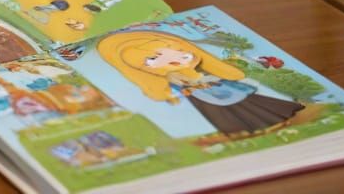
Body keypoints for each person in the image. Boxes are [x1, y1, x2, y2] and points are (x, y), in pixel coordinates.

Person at [96, 31, 302, 137]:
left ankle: (279, 115)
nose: (176, 59)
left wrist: (207, 77)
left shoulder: (193, 66)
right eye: (152, 59)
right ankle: (245, 128)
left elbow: (212, 72)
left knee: (248, 103)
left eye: (182, 54)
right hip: (201, 97)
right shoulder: (165, 77)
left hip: (216, 88)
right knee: (223, 112)